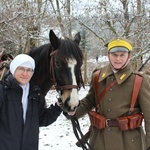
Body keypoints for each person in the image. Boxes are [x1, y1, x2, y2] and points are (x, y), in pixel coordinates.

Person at [69, 38, 150, 150]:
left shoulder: (140, 80)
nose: (118, 59)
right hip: (99, 140)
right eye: (114, 54)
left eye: (122, 55)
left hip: (129, 143)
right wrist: (72, 110)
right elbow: (90, 100)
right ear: (108, 55)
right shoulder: (97, 76)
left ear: (129, 56)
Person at [0, 54, 62, 150]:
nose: (25, 73)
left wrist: (58, 107)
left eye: (29, 70)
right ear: (13, 69)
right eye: (21, 69)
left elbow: (42, 119)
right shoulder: (2, 90)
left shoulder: (36, 94)